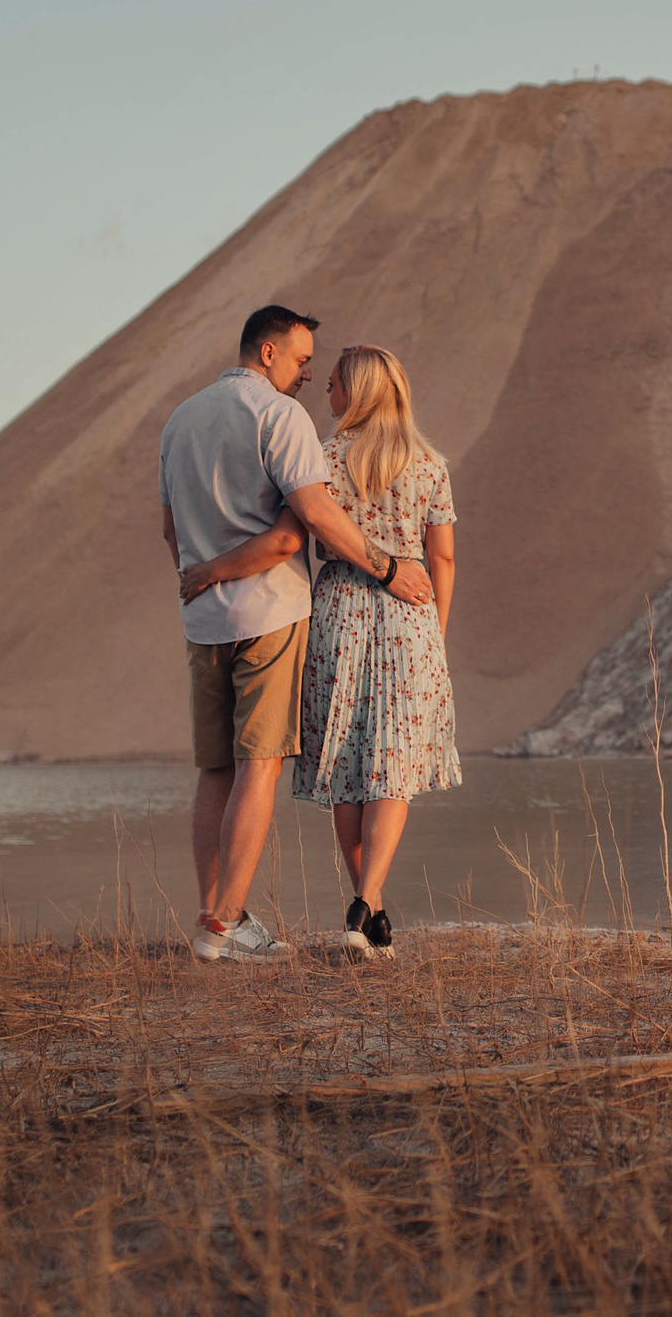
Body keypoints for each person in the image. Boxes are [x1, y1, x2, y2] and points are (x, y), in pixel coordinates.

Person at [159, 305, 429, 963]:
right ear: (270, 352)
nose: (311, 372)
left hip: (202, 616)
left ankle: (214, 914)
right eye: (304, 359)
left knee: (214, 766)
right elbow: (306, 521)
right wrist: (388, 566)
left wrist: (202, 575)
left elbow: (170, 528)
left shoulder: (181, 418)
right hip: (270, 615)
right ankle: (223, 926)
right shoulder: (280, 417)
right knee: (260, 764)